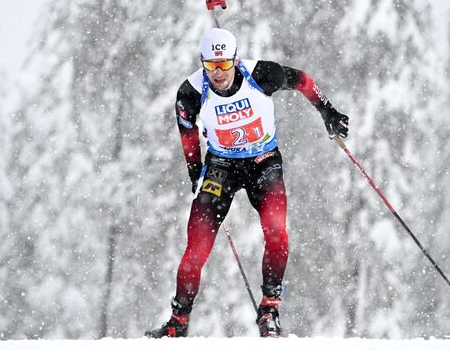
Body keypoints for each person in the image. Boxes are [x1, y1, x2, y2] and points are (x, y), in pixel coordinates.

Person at [145, 28, 349, 338]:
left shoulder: (261, 74)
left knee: (277, 231)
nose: (218, 73)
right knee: (197, 245)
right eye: (211, 65)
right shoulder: (190, 91)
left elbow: (303, 81)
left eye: (224, 65)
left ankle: (269, 310)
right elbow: (186, 130)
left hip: (263, 162)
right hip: (221, 166)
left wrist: (328, 113)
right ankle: (178, 321)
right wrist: (194, 169)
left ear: (234, 61)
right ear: (203, 63)